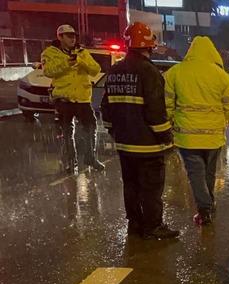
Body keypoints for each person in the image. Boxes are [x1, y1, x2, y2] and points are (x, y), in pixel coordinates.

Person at [100, 22, 179, 240]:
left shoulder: (114, 71)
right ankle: (153, 226)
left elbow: (106, 107)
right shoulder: (149, 72)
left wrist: (113, 131)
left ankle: (134, 223)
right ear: (150, 46)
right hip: (148, 145)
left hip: (124, 144)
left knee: (131, 186)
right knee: (151, 188)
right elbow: (155, 111)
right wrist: (166, 137)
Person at [165, 36, 229, 226]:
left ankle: (205, 208)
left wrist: (167, 125)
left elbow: (166, 104)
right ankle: (208, 206)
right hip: (213, 138)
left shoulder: (175, 73)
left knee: (196, 174)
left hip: (187, 137)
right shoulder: (221, 76)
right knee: (208, 173)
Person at [41, 24, 104, 173]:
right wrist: (67, 64)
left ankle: (90, 158)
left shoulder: (82, 52)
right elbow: (48, 71)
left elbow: (96, 69)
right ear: (60, 37)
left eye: (74, 36)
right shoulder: (50, 53)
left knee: (90, 128)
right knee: (66, 131)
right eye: (69, 36)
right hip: (64, 98)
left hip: (82, 98)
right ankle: (70, 161)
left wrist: (80, 62)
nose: (73, 38)